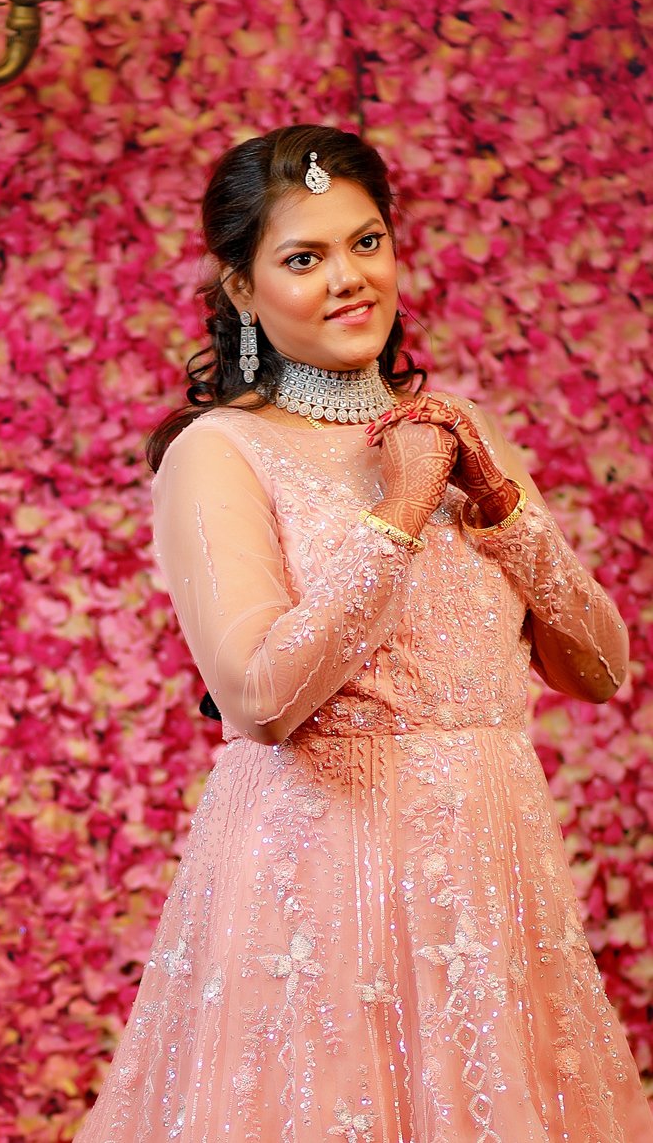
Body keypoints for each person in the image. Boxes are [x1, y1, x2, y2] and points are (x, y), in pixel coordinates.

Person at [75, 125, 653, 1142]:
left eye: (367, 242)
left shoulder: (461, 436)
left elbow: (601, 667)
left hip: (491, 888)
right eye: (304, 258)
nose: (349, 280)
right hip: (321, 893)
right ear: (242, 292)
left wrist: (502, 506)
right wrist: (399, 512)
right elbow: (256, 698)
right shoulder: (221, 454)